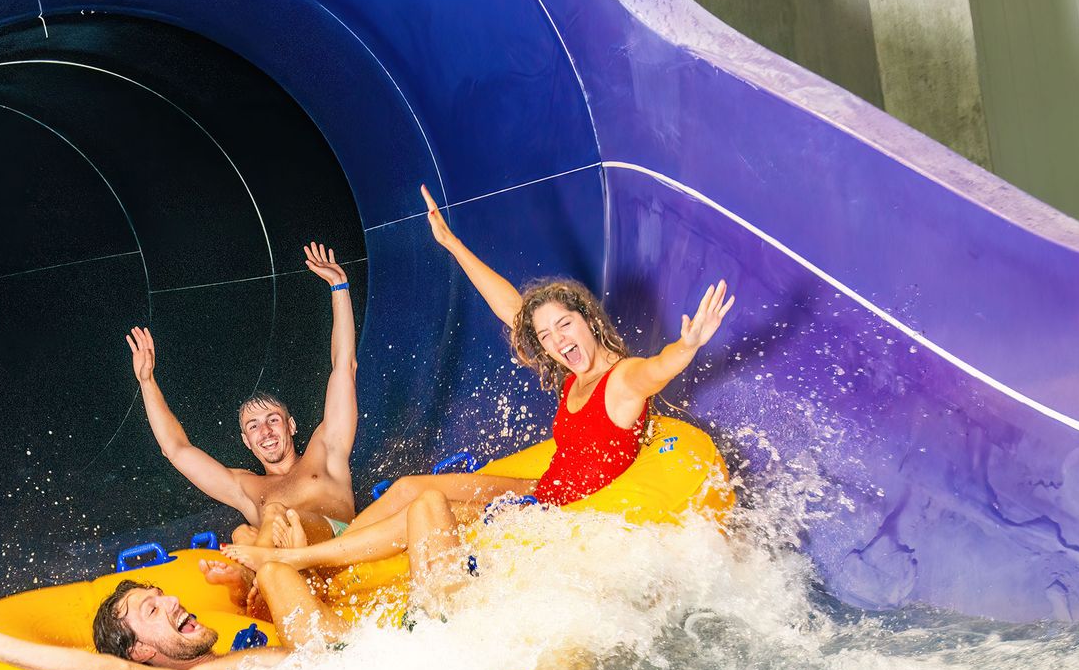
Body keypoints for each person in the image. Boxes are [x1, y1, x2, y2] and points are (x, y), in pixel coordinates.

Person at [221, 186, 734, 579]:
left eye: (565, 326)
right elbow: (513, 308)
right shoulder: (569, 373)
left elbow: (655, 369)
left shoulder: (618, 381)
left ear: (588, 320)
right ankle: (340, 542)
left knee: (427, 509)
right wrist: (451, 244)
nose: (555, 341)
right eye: (546, 335)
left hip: (555, 509)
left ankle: (307, 559)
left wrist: (686, 347)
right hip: (542, 486)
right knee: (408, 486)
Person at [0, 487, 467, 670]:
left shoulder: (239, 658)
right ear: (142, 651)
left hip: (389, 658)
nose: (169, 602)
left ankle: (300, 563)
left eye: (160, 595)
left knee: (429, 506)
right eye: (151, 610)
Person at [128, 242, 359, 549]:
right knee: (243, 533)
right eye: (253, 427)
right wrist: (146, 381)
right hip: (284, 565)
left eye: (272, 420)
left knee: (272, 518)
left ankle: (255, 568)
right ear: (246, 441)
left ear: (291, 426)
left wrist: (339, 286)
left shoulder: (326, 447)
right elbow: (176, 449)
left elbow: (343, 366)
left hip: (338, 544)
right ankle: (249, 578)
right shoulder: (245, 487)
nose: (264, 431)